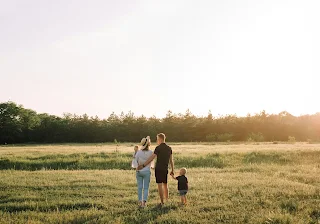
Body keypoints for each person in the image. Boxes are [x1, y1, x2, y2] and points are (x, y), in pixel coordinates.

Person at [137, 133, 174, 207]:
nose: (157, 140)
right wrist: (172, 169)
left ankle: (162, 202)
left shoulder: (158, 148)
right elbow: (171, 160)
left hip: (159, 169)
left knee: (159, 185)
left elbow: (152, 158)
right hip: (165, 168)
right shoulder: (169, 148)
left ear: (160, 139)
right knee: (165, 184)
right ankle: (167, 200)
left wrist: (143, 165)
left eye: (157, 139)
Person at [134, 136, 154, 208]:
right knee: (146, 188)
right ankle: (144, 203)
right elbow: (152, 164)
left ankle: (140, 202)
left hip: (139, 172)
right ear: (148, 144)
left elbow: (135, 163)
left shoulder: (138, 153)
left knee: (140, 187)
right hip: (147, 172)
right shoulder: (151, 153)